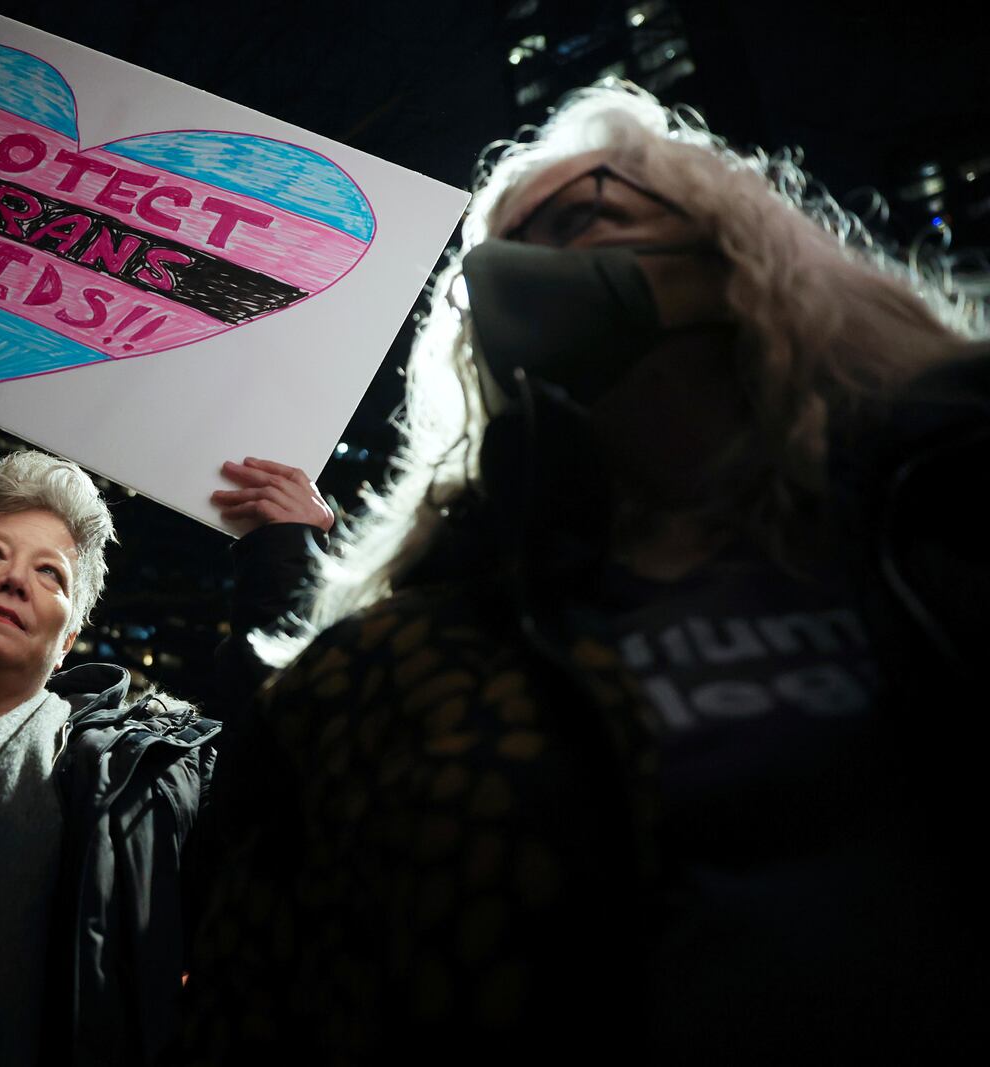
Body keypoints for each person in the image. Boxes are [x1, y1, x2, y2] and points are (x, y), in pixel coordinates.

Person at [180, 82, 987, 1063]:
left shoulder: (952, 508)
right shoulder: (426, 649)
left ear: (736, 244)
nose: (532, 271)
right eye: (507, 256)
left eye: (587, 216)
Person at [0, 449, 331, 1066]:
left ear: (68, 642)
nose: (15, 579)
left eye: (51, 574)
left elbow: (282, 774)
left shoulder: (138, 779)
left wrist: (289, 560)